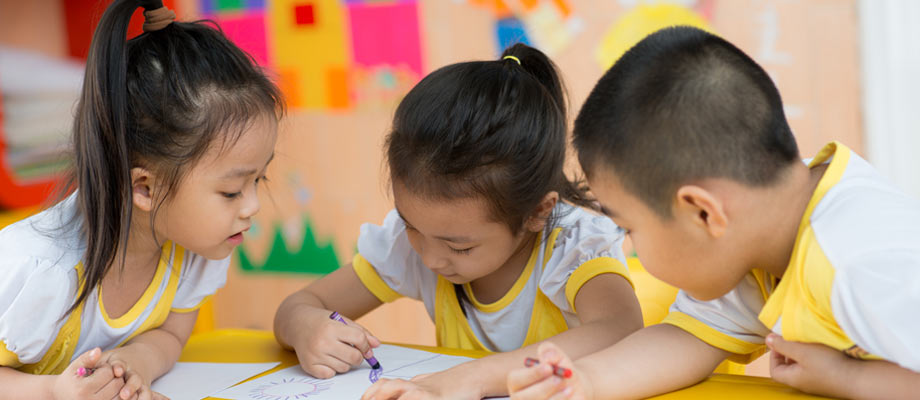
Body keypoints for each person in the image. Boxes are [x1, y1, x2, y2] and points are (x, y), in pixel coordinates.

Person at [506, 26, 920, 400]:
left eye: (628, 228)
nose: (628, 244)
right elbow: (685, 340)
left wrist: (845, 378)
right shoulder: (761, 233)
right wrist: (585, 383)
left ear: (703, 214)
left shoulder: (860, 263)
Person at [274, 43, 642, 399]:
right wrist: (305, 326)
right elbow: (302, 303)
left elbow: (620, 329)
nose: (430, 258)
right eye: (411, 226)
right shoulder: (415, 244)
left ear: (536, 212)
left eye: (459, 246)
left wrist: (476, 378)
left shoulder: (572, 244)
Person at [0, 1, 283, 399]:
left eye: (260, 178)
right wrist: (51, 392)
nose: (252, 206)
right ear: (145, 188)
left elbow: (170, 334)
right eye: (232, 191)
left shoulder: (196, 251)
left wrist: (136, 362)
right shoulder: (39, 270)